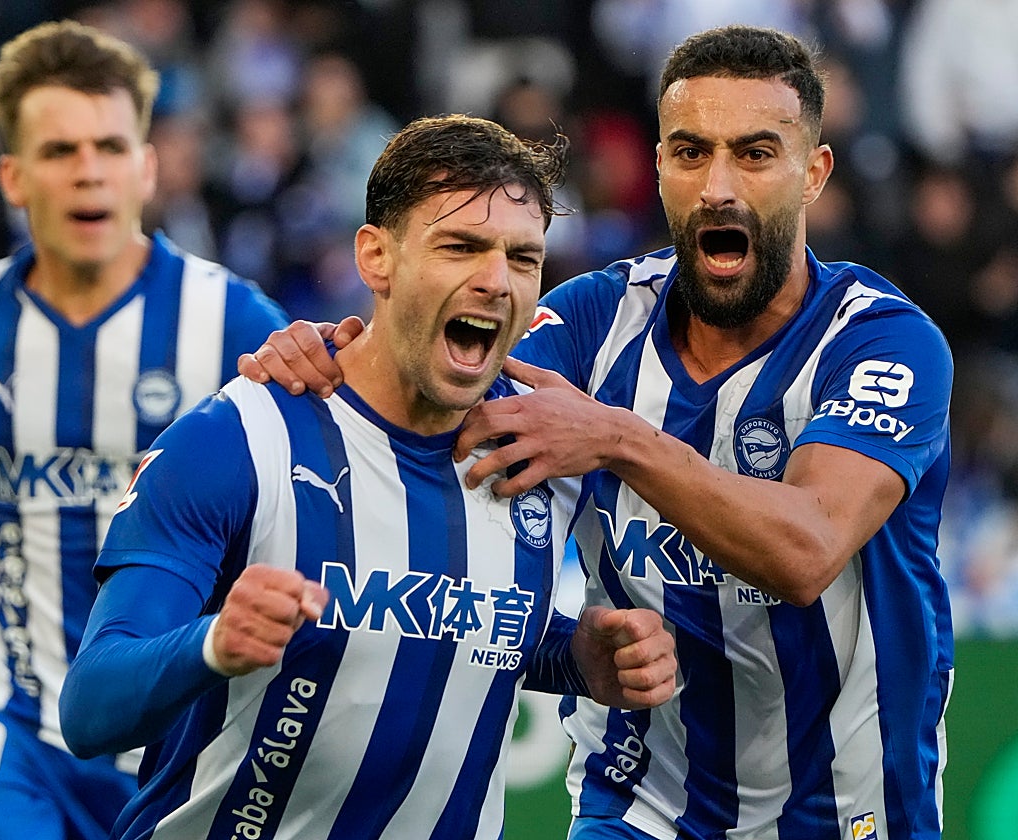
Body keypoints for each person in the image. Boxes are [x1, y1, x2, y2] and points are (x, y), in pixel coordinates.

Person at [239, 25, 955, 840]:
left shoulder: (881, 342)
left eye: (755, 154)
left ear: (813, 173)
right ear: (658, 167)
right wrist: (329, 352)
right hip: (640, 803)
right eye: (690, 153)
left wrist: (619, 439)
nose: (718, 185)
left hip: (848, 810)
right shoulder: (592, 320)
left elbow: (807, 552)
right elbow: (433, 388)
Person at [58, 114, 678, 840]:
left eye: (521, 257)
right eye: (461, 247)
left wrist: (574, 656)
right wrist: (214, 643)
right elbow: (91, 707)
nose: (494, 281)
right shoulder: (238, 439)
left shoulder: (538, 447)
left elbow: (453, 615)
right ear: (375, 258)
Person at [0, 20, 292, 840]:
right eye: (59, 152)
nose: (88, 172)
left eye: (109, 147)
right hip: (4, 712)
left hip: (169, 726)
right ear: (14, 176)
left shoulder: (229, 318)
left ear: (147, 166)